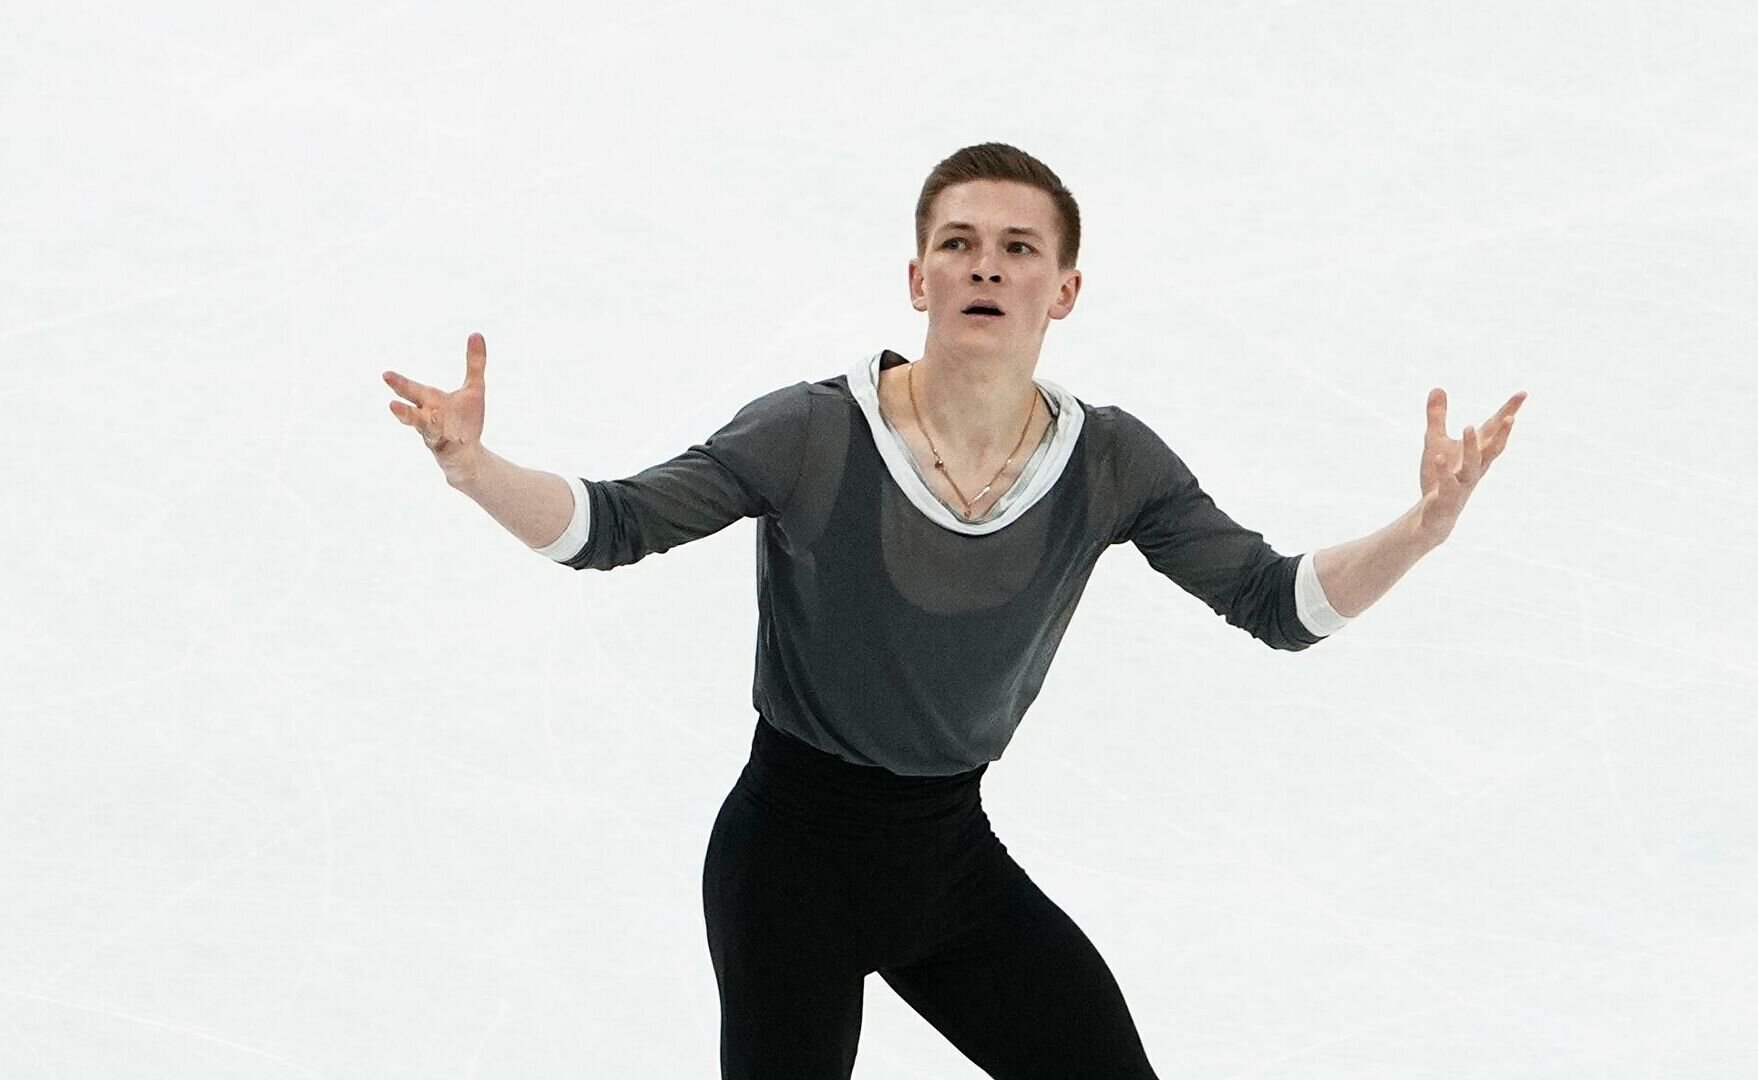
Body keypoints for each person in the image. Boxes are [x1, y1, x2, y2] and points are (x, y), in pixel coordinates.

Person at [381, 142, 1525, 1079]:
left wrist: (1419, 532)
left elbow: (1278, 603)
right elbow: (613, 524)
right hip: (786, 868)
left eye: (1019, 248)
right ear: (917, 278)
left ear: (1064, 290)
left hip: (948, 870)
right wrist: (474, 469)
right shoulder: (812, 432)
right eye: (958, 243)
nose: (987, 266)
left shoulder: (1109, 463)